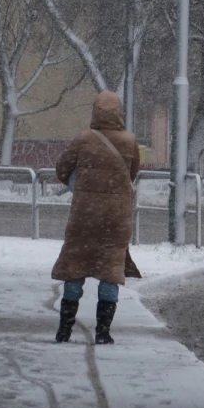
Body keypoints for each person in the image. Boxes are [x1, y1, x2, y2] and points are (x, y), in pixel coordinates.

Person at [51, 91, 142, 345]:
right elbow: (131, 174)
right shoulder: (129, 141)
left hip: (84, 215)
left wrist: (82, 183)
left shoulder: (83, 139)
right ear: (119, 112)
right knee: (111, 270)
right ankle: (103, 332)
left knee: (74, 268)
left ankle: (64, 330)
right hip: (115, 218)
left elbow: (62, 169)